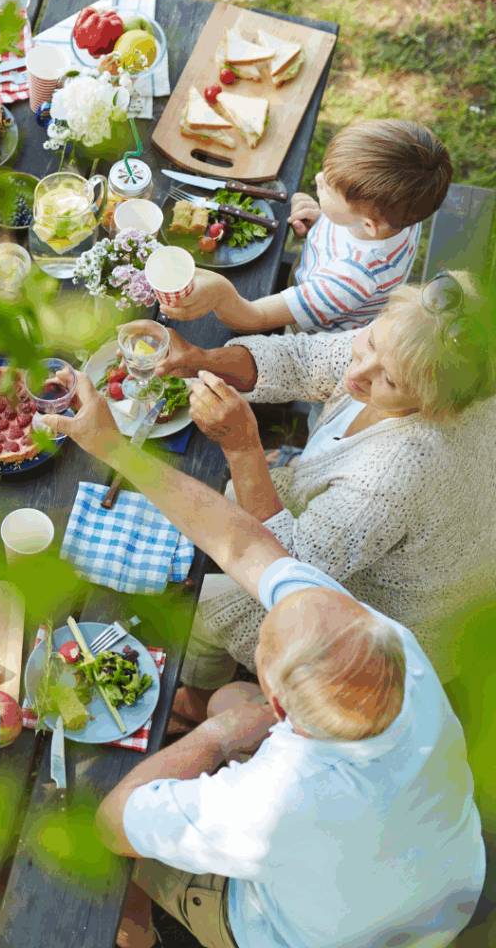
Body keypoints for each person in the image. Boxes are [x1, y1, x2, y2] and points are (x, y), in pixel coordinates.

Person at [36, 380, 485, 948]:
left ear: (279, 705)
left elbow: (116, 819)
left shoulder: (274, 802)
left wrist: (219, 736)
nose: (289, 592)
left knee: (93, 854)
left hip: (306, 932)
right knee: (225, 699)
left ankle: (138, 934)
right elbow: (248, 548)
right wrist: (115, 448)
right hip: (442, 882)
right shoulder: (389, 644)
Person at [149, 272, 496, 729]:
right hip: (339, 521)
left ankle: (196, 701)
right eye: (369, 343)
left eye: (386, 381)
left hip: (384, 625)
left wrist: (243, 447)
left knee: (202, 614)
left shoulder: (399, 471)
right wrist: (202, 359)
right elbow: (305, 358)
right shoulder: (415, 343)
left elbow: (290, 566)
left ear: (440, 408)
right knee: (209, 501)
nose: (356, 374)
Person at [162, 119, 451, 333]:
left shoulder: (348, 280)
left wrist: (221, 292)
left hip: (312, 332)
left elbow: (254, 319)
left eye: (327, 189)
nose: (317, 179)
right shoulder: (403, 210)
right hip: (318, 282)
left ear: (368, 224)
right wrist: (322, 222)